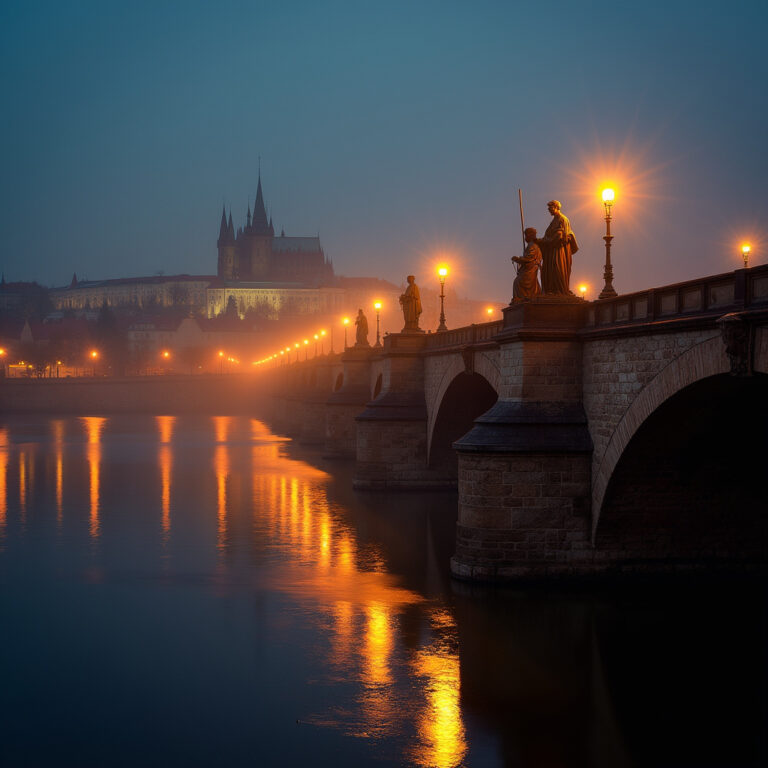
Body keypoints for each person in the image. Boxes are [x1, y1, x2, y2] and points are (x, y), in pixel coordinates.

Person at [538, 200, 578, 294]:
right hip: (552, 250)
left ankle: (559, 290)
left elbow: (563, 236)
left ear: (556, 207)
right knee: (550, 271)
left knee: (557, 269)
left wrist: (547, 240)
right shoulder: (554, 221)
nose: (549, 210)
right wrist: (541, 241)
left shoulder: (563, 219)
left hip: (559, 251)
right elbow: (548, 236)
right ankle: (552, 289)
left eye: (550, 208)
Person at [511, 228, 542, 300]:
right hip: (529, 268)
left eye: (526, 235)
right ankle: (525, 297)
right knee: (518, 282)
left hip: (530, 269)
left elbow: (529, 258)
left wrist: (517, 259)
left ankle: (524, 297)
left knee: (517, 282)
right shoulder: (531, 245)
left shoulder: (533, 246)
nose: (525, 237)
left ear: (530, 235)